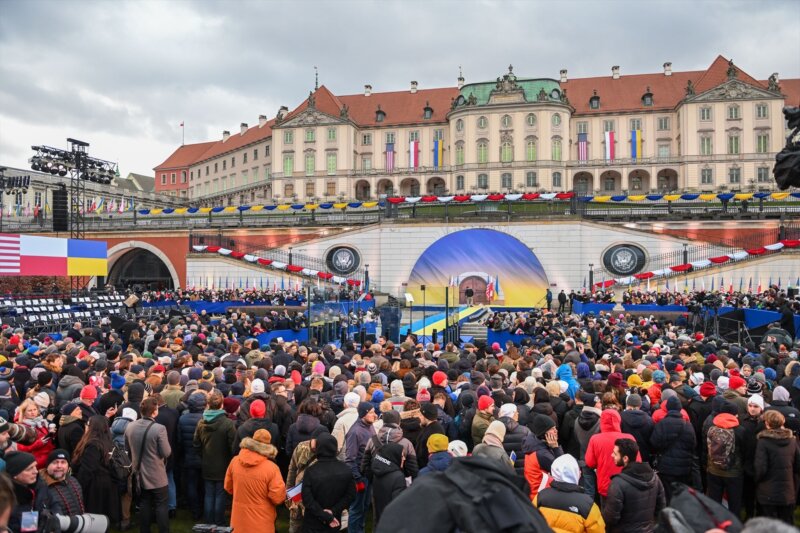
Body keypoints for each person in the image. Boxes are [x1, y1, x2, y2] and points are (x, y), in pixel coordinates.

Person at [224, 428, 286, 533]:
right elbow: (277, 497)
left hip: (239, 520)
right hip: (261, 523)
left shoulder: (234, 461)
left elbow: (228, 487)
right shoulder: (272, 468)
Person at [126, 396, 171, 533]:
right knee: (161, 505)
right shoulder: (159, 429)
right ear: (154, 411)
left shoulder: (130, 426)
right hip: (156, 473)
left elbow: (127, 448)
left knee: (144, 503)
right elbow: (166, 452)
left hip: (138, 473)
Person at [602, 438, 665, 533]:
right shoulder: (655, 478)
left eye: (615, 454)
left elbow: (611, 518)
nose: (612, 455)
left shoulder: (617, 483)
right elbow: (661, 507)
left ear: (625, 458)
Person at [534, 454, 605, 533]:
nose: (580, 472)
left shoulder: (540, 497)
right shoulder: (587, 505)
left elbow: (531, 523)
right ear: (573, 473)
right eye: (578, 470)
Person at [301, 433, 356, 533]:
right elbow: (351, 495)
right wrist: (331, 513)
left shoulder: (311, 471)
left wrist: (327, 514)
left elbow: (307, 499)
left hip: (316, 523)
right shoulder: (346, 469)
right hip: (333, 520)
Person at [754, 410, 800, 525]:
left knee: (769, 525)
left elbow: (761, 469)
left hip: (767, 492)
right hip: (787, 492)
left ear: (767, 424)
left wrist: (756, 480)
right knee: (787, 524)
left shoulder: (763, 442)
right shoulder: (792, 441)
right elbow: (798, 466)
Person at [72, 415, 120, 525]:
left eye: (88, 425)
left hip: (96, 488)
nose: (86, 427)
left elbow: (88, 469)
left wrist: (78, 487)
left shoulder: (93, 445)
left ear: (93, 427)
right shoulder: (107, 441)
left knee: (94, 522)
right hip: (107, 485)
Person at [649, 396, 696, 503]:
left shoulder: (662, 424)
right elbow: (693, 444)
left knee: (668, 494)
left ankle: (670, 516)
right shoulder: (688, 425)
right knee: (682, 494)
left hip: (666, 467)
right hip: (685, 467)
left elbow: (654, 443)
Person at [585, 409, 636, 502]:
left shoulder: (595, 439)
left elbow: (590, 463)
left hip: (606, 486)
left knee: (607, 513)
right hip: (628, 484)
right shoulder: (629, 437)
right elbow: (637, 461)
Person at [286, 426, 329, 533]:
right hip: (297, 495)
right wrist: (288, 492)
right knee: (295, 527)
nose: (315, 445)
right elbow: (292, 470)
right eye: (314, 441)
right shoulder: (301, 447)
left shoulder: (327, 454)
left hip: (313, 498)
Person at [345, 402, 377, 533]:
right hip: (360, 478)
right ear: (364, 414)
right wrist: (358, 480)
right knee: (356, 509)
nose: (374, 415)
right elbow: (350, 459)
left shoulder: (370, 426)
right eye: (371, 412)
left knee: (364, 507)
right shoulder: (355, 432)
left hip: (369, 476)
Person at [5, 451, 56, 533]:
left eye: (35, 466)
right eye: (29, 469)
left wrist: (54, 521)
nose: (35, 471)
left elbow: (54, 503)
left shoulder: (40, 485)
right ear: (15, 475)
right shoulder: (7, 499)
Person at [370, 442, 406, 525]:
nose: (404, 458)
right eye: (402, 456)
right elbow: (398, 506)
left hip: (381, 518)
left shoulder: (378, 470)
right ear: (393, 456)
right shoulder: (398, 477)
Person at [40, 449, 85, 517]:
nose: (59, 466)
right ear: (47, 467)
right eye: (55, 462)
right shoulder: (42, 487)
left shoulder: (74, 481)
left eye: (63, 462)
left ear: (68, 466)